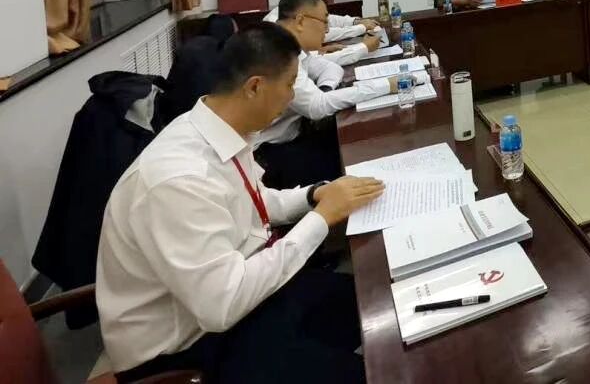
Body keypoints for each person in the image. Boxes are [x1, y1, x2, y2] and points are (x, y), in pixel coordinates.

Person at [97, 22, 385, 383]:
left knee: (369, 301)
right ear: (254, 87)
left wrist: (313, 195)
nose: (292, 96)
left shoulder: (215, 127)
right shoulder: (177, 179)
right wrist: (322, 219)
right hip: (188, 347)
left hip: (238, 297)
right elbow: (222, 305)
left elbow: (253, 200)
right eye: (289, 84)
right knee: (365, 375)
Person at [258, 0, 401, 187]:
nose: (327, 31)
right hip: (272, 154)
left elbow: (329, 68)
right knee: (358, 155)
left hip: (298, 134)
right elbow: (316, 107)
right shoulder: (276, 52)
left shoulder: (289, 44)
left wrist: (325, 91)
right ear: (300, 21)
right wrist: (386, 85)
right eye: (324, 22)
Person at [264, 0, 383, 67]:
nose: (326, 29)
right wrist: (363, 44)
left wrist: (355, 22)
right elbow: (318, 63)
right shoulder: (276, 28)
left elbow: (328, 19)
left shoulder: (290, 14)